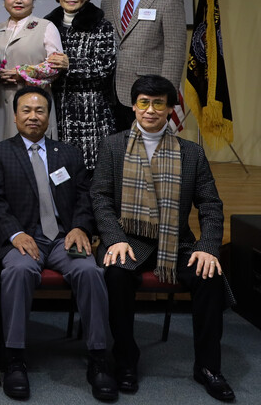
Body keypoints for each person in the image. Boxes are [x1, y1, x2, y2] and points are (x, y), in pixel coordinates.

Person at [92, 75, 234, 402]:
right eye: (144, 102)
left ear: (170, 109)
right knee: (116, 274)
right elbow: (99, 197)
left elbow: (210, 204)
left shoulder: (191, 153)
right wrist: (113, 239)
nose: (151, 110)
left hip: (176, 243)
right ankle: (126, 360)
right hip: (128, 241)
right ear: (133, 106)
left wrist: (208, 248)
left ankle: (208, 367)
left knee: (209, 275)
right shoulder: (113, 145)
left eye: (159, 103)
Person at [0, 86, 116, 401]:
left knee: (91, 272)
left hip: (62, 238)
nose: (33, 116)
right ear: (15, 116)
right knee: (17, 272)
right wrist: (15, 233)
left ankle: (99, 357)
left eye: (39, 110)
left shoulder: (68, 153)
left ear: (48, 115)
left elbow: (85, 195)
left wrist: (81, 227)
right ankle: (15, 358)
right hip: (21, 238)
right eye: (26, 110)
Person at [101, 0, 186, 131]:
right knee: (119, 154)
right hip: (114, 95)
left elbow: (174, 53)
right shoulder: (108, 1)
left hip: (150, 98)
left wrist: (166, 98)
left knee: (149, 156)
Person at [44, 0, 117, 172]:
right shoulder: (47, 25)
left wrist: (70, 65)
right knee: (58, 171)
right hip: (56, 109)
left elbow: (105, 66)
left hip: (91, 112)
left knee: (91, 172)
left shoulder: (101, 25)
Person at [0, 0, 63, 143]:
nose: (18, 0)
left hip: (34, 106)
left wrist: (21, 72)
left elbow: (55, 67)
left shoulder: (46, 27)